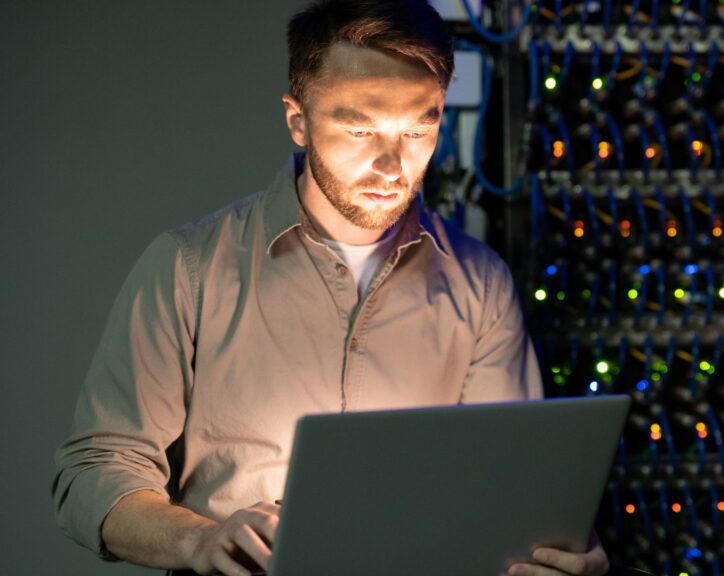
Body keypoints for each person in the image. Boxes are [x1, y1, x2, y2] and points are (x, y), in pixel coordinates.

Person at [52, 1, 610, 575]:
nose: (392, 164)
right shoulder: (187, 268)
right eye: (360, 128)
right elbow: (94, 471)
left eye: (420, 127)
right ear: (298, 120)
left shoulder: (480, 282)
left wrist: (551, 545)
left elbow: (511, 484)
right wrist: (200, 541)